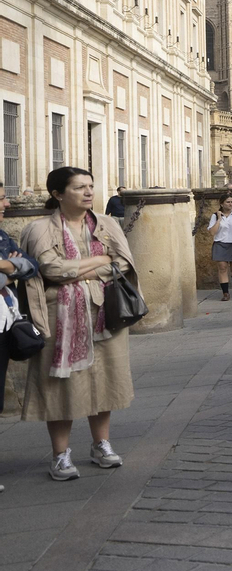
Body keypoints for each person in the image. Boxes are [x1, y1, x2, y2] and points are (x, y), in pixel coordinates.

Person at [19, 167, 138, 481]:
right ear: (58, 194)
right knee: (62, 387)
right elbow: (51, 269)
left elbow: (123, 262)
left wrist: (79, 271)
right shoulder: (39, 229)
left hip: (105, 313)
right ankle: (60, 455)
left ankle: (101, 444)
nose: (88, 192)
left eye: (91, 186)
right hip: (59, 317)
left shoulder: (108, 223)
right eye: (79, 187)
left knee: (104, 380)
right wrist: (101, 262)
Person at [0, 183, 40, 425]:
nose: (7, 204)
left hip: (5, 324)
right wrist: (10, 268)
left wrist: (5, 265)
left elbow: (32, 266)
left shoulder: (2, 235)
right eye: (2, 199)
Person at [205, 194, 232, 301]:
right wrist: (219, 219)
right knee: (222, 267)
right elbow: (212, 232)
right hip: (220, 244)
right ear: (221, 204)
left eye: (231, 202)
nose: (230, 204)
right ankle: (225, 293)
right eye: (227, 202)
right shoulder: (215, 216)